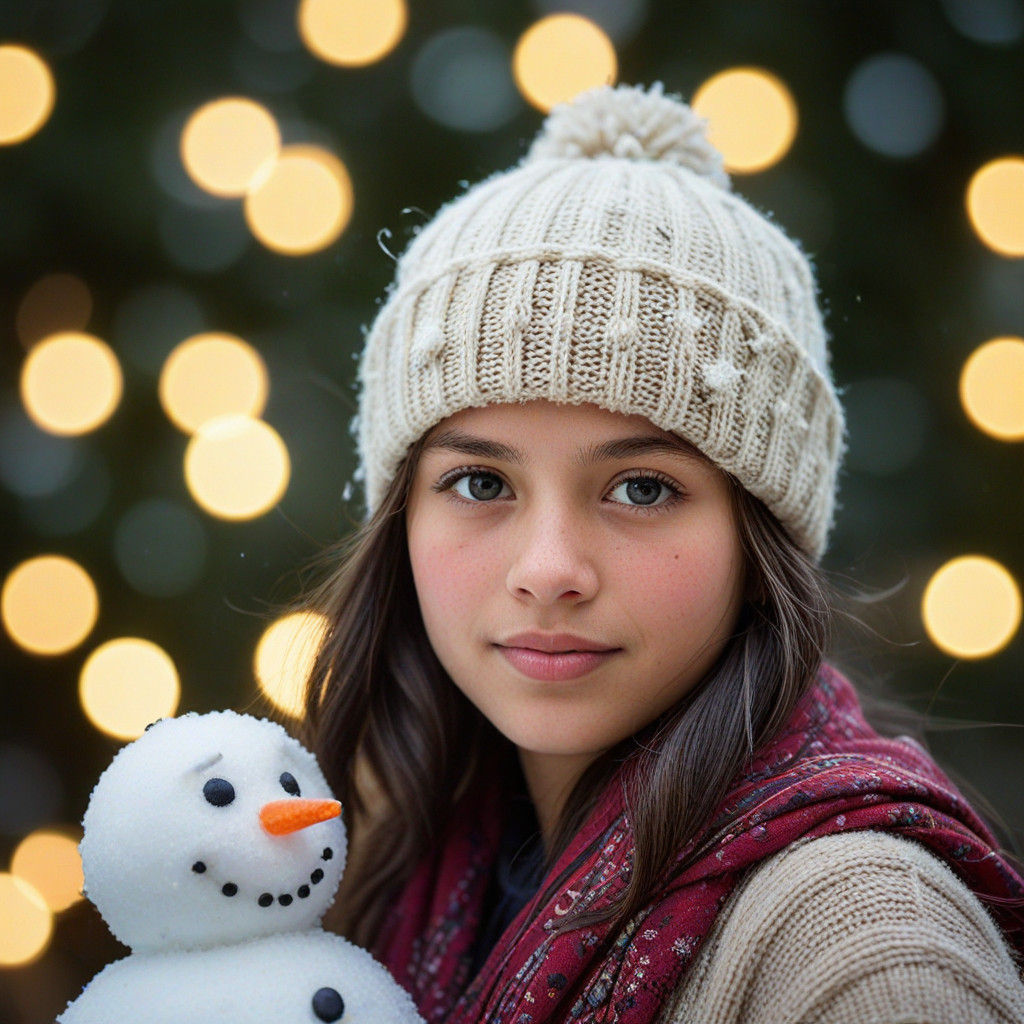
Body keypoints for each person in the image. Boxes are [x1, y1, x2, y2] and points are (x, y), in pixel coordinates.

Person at [300, 82, 1024, 1023]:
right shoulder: (388, 872)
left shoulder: (867, 949)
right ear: (402, 515)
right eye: (481, 483)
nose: (550, 567)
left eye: (642, 488)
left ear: (756, 536)